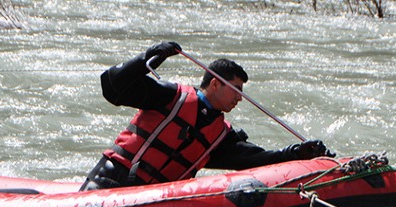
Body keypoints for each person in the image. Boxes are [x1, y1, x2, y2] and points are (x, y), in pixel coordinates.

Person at [80, 41, 335, 191]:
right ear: (215, 84)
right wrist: (151, 56)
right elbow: (112, 86)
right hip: (111, 185)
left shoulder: (219, 135)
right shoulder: (168, 96)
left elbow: (253, 159)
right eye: (235, 90)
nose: (239, 98)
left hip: (153, 200)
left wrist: (296, 153)